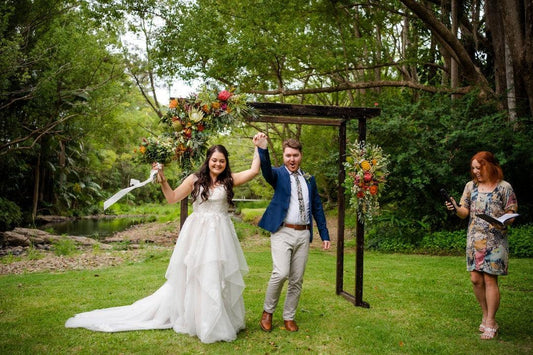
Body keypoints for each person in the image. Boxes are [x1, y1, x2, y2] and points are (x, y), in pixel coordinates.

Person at [65, 141, 261, 343]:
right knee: (196, 275)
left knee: (217, 275)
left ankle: (217, 318)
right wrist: (163, 179)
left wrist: (259, 147)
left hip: (220, 236)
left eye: (221, 161)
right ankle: (199, 320)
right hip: (198, 235)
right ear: (208, 160)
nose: (217, 164)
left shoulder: (229, 180)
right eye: (214, 160)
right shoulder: (194, 179)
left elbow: (254, 171)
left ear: (226, 162)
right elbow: (172, 197)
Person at [254, 132, 331, 333]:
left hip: (303, 234)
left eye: (295, 155)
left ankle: (289, 316)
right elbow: (265, 171)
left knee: (297, 279)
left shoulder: (309, 178)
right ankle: (267, 312)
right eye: (288, 155)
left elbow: (317, 207)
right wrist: (263, 149)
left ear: (300, 156)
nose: (292, 159)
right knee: (281, 273)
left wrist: (325, 234)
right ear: (284, 156)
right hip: (282, 232)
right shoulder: (277, 174)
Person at [445, 151, 517, 340]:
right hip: (474, 239)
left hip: (495, 240)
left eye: (479, 167)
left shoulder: (504, 187)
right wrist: (455, 207)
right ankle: (485, 314)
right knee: (476, 279)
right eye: (473, 168)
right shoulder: (470, 186)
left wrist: (504, 221)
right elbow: (464, 212)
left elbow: (512, 212)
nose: (476, 171)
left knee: (490, 280)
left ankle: (491, 321)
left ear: (490, 166)